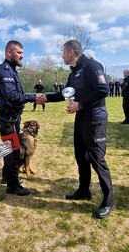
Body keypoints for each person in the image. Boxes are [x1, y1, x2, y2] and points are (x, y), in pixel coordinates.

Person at [44, 40, 114, 219]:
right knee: (81, 156)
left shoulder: (91, 65)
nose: (61, 56)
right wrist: (45, 98)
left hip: (95, 119)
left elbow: (103, 89)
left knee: (97, 159)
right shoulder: (74, 72)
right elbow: (64, 93)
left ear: (70, 52)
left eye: (63, 52)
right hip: (81, 119)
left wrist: (80, 105)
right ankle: (84, 190)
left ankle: (108, 201)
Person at [0, 40, 45, 196]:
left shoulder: (12, 70)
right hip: (7, 120)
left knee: (11, 150)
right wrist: (33, 97)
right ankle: (12, 186)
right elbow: (12, 96)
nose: (22, 56)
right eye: (19, 53)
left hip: (13, 119)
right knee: (13, 152)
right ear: (9, 53)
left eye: (22, 53)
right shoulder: (4, 72)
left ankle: (7, 177)